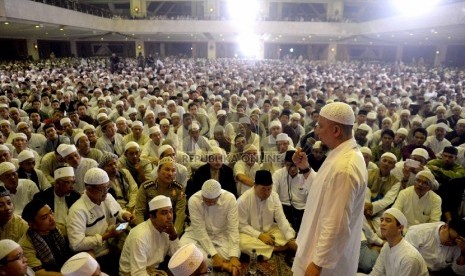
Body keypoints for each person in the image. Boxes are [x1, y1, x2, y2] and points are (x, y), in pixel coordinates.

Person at [291, 102, 368, 276]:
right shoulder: (341, 153)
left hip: (326, 264)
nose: (316, 131)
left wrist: (317, 264)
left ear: (336, 131)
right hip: (320, 251)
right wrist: (305, 168)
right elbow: (324, 189)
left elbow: (337, 224)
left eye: (320, 126)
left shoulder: (345, 167)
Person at [66, 168, 133, 275]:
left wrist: (124, 215)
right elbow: (76, 244)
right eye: (102, 189)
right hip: (97, 256)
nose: (106, 192)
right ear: (89, 189)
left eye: (108, 187)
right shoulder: (77, 211)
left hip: (114, 246)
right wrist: (106, 236)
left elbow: (118, 211)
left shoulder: (107, 197)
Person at [181, 180, 240, 275]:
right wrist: (215, 256)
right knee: (181, 250)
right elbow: (199, 231)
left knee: (232, 252)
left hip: (221, 235)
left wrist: (234, 256)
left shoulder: (230, 198)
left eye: (212, 201)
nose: (209, 203)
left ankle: (204, 264)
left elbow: (233, 228)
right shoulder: (194, 200)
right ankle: (224, 265)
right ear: (202, 195)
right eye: (206, 200)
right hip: (196, 235)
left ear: (219, 196)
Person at [237, 170, 297, 260]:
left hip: (269, 230)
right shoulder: (243, 200)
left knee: (288, 231)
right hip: (250, 233)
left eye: (269, 189)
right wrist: (259, 235)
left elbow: (281, 219)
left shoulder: (274, 196)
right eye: (263, 189)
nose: (267, 193)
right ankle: (279, 248)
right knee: (241, 243)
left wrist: (290, 239)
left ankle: (264, 250)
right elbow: (241, 225)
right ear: (255, 186)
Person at [120, 195, 180, 276]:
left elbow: (178, 257)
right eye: (164, 213)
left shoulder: (169, 229)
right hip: (130, 273)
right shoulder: (139, 236)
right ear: (152, 217)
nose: (169, 216)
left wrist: (174, 236)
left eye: (171, 211)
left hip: (153, 270)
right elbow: (138, 273)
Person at [368, 208, 428, 276]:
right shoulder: (386, 247)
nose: (382, 223)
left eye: (388, 221)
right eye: (382, 220)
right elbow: (377, 272)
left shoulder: (409, 257)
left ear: (400, 228)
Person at [134, 157, 186, 234]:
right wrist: (143, 233)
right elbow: (139, 212)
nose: (170, 173)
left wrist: (174, 233)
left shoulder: (178, 189)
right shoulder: (146, 187)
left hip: (170, 226)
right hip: (149, 226)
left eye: (173, 170)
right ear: (158, 171)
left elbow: (180, 215)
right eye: (167, 170)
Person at [19, 198, 72, 274]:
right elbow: (40, 273)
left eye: (51, 212)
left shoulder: (58, 227)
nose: (51, 218)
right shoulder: (25, 246)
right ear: (32, 225)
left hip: (68, 268)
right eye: (45, 217)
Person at [33, 167, 81, 236]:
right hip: (50, 234)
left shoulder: (75, 196)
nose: (72, 186)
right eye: (68, 182)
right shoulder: (41, 198)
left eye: (73, 182)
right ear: (57, 183)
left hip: (72, 233)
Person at [272, 150, 309, 232]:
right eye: (289, 165)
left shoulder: (305, 175)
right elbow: (273, 194)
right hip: (283, 207)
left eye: (295, 165)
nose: (292, 169)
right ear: (285, 163)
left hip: (301, 209)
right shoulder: (278, 174)